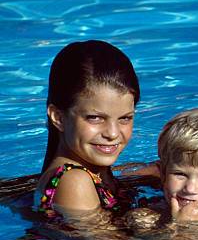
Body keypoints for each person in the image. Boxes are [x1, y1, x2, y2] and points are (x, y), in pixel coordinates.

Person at [35, 40, 140, 218]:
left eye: (125, 118)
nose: (112, 133)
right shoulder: (74, 181)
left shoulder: (94, 170)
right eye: (95, 118)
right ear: (58, 117)